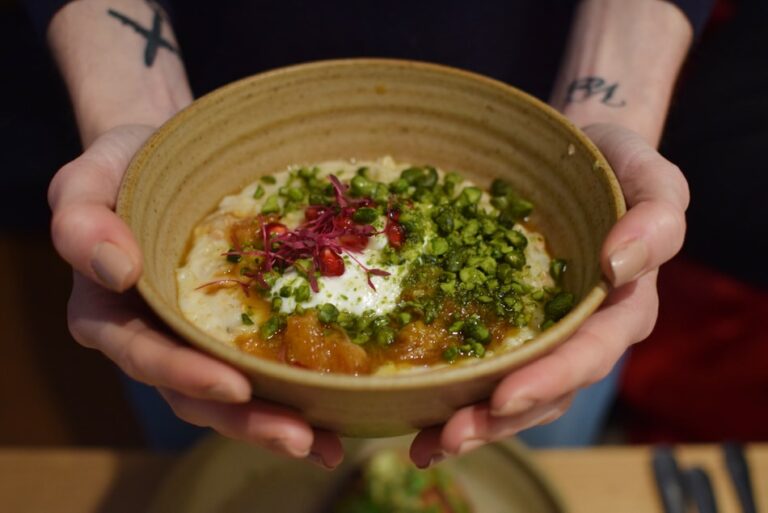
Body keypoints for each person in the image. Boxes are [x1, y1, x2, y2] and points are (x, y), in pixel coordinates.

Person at [30, 0, 704, 469]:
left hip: (523, 334)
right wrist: (143, 121)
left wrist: (608, 101)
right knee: (220, 476)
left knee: (513, 475)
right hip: (208, 114)